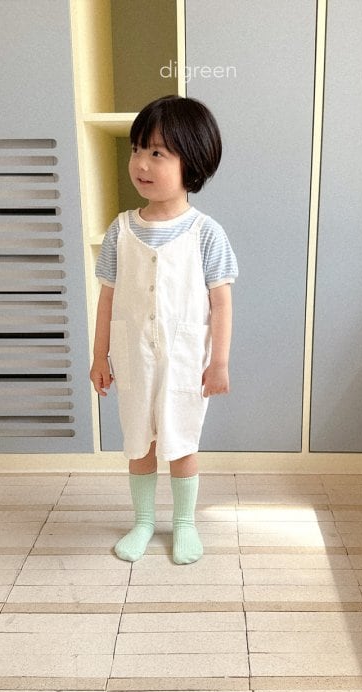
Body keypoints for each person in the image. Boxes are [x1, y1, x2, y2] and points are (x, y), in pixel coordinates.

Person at [90, 95, 238, 564]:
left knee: (181, 440)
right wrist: (99, 357)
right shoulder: (120, 231)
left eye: (157, 153)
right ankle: (143, 522)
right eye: (137, 149)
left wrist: (219, 362)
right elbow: (107, 298)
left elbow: (221, 303)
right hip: (133, 358)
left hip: (185, 361)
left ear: (191, 161)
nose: (141, 163)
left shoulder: (206, 233)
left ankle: (185, 523)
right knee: (139, 440)